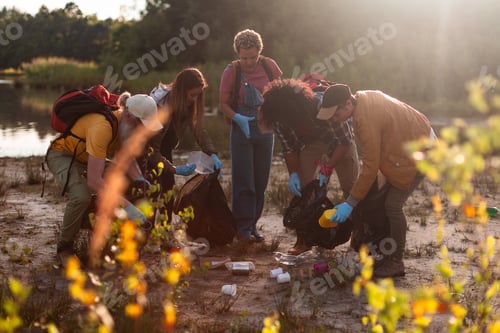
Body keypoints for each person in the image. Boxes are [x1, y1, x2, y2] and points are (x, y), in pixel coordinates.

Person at [317, 83, 437, 278]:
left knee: (393, 205)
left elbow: (371, 167)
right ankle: (378, 250)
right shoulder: (361, 99)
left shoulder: (365, 118)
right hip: (406, 145)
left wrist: (350, 203)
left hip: (422, 150)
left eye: (335, 114)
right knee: (375, 196)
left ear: (347, 104)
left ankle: (396, 262)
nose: (333, 118)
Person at [46, 92, 163, 264]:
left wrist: (140, 181)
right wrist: (128, 206)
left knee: (128, 183)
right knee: (81, 196)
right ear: (130, 117)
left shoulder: (124, 127)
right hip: (64, 155)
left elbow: (125, 159)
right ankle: (65, 247)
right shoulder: (103, 127)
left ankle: (111, 234)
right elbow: (94, 180)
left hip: (87, 157)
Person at [259, 79, 359, 254]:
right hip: (313, 143)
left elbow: (344, 141)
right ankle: (305, 239)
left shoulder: (322, 105)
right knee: (305, 190)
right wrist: (293, 175)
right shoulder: (279, 117)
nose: (287, 123)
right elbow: (290, 148)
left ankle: (358, 238)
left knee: (351, 187)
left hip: (340, 142)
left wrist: (328, 167)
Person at [219, 29, 282, 242]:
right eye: (244, 57)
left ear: (259, 52)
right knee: (243, 179)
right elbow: (223, 104)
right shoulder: (231, 71)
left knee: (261, 179)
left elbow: (280, 94)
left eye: (253, 57)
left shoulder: (269, 66)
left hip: (266, 129)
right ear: (237, 53)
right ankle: (242, 228)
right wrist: (237, 118)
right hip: (241, 127)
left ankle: (254, 225)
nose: (248, 62)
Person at [145, 68, 222, 225]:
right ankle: (147, 234)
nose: (195, 99)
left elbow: (198, 129)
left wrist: (212, 152)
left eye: (198, 95)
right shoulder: (161, 106)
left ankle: (166, 233)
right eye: (192, 95)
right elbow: (151, 151)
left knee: (168, 191)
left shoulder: (188, 103)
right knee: (152, 192)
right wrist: (174, 169)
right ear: (181, 91)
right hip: (148, 150)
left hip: (165, 147)